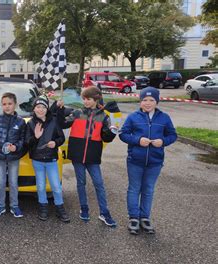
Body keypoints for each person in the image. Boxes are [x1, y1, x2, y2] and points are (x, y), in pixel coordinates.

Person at [119, 87, 177, 235]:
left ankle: (145, 217)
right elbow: (123, 134)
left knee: (148, 189)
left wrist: (162, 141)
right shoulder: (133, 117)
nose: (148, 103)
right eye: (145, 100)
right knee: (134, 189)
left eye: (151, 100)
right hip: (135, 161)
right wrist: (138, 140)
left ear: (157, 101)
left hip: (155, 162)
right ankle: (133, 218)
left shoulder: (164, 118)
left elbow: (173, 135)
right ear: (140, 101)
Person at [57, 86, 117, 227]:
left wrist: (112, 132)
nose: (86, 101)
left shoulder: (104, 116)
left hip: (93, 156)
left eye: (88, 99)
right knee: (81, 183)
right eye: (84, 99)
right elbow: (63, 123)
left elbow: (106, 137)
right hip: (77, 155)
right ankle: (84, 209)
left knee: (99, 184)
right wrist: (59, 110)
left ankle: (104, 212)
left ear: (96, 99)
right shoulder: (77, 113)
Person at [25, 96, 69, 222]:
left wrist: (55, 143)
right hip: (37, 160)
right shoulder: (30, 123)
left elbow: (61, 138)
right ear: (34, 109)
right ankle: (43, 207)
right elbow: (27, 142)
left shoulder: (54, 121)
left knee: (56, 186)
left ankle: (60, 208)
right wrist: (36, 137)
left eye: (43, 107)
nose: (40, 110)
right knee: (40, 186)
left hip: (51, 160)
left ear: (47, 108)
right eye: (38, 107)